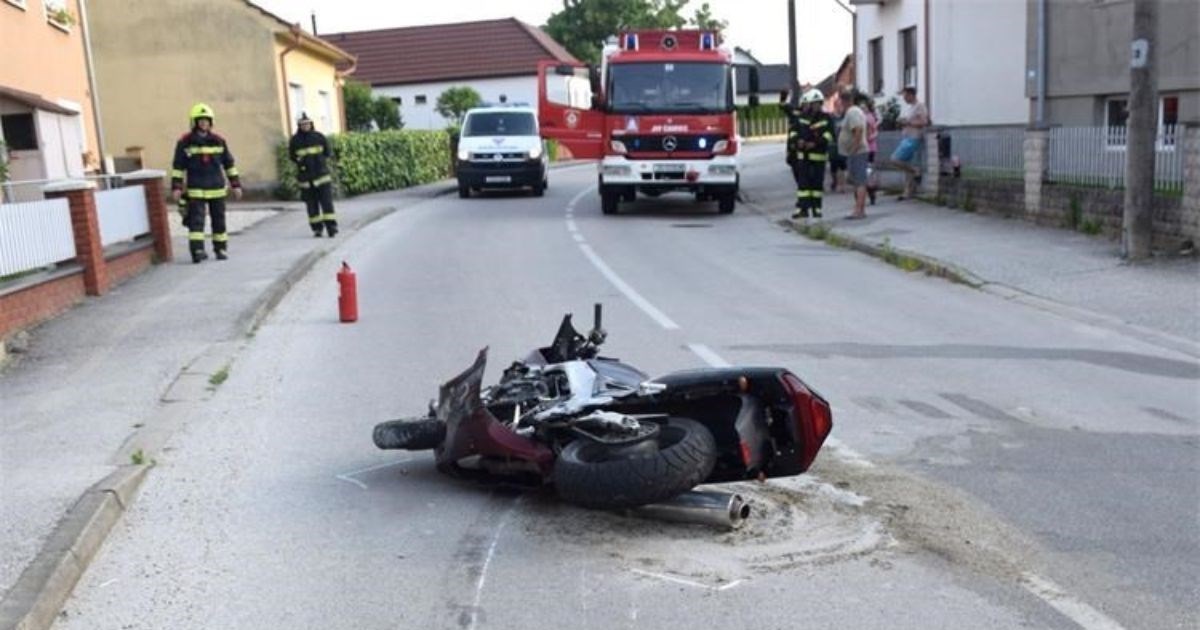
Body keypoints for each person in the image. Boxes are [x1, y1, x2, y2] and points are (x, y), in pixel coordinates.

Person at [171, 103, 241, 263]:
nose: (204, 123)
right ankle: (197, 251)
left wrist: (235, 185)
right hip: (196, 189)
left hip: (216, 188)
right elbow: (178, 167)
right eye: (200, 120)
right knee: (196, 222)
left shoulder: (219, 141)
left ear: (211, 122)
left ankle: (220, 249)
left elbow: (229, 165)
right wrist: (176, 187)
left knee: (219, 221)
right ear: (194, 122)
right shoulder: (185, 142)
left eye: (206, 120)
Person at [289, 112, 338, 238]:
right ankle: (317, 229)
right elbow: (292, 157)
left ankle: (331, 227)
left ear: (311, 124)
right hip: (306, 180)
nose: (306, 126)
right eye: (303, 124)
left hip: (322, 177)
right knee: (311, 206)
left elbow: (327, 152)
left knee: (327, 203)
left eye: (307, 124)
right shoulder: (295, 140)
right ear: (299, 126)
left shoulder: (319, 137)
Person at [789, 89, 833, 219]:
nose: (815, 106)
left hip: (818, 157)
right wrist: (798, 142)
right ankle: (802, 209)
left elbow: (829, 135)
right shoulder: (801, 118)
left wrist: (815, 143)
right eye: (812, 103)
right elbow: (793, 133)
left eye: (817, 103)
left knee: (817, 185)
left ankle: (817, 209)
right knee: (803, 185)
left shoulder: (826, 118)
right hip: (803, 157)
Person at [889, 86, 929, 200]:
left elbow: (924, 121)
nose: (904, 98)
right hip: (907, 136)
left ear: (912, 95)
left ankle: (915, 170)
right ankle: (908, 191)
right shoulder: (911, 107)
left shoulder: (920, 106)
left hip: (913, 138)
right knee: (906, 165)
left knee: (895, 159)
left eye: (906, 96)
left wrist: (908, 122)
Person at [837, 87, 870, 219]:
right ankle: (859, 209)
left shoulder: (852, 112)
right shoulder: (853, 112)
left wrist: (854, 149)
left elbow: (858, 130)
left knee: (860, 181)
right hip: (855, 151)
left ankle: (859, 210)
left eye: (841, 101)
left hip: (857, 152)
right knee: (856, 181)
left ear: (845, 101)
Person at [862, 96, 880, 205]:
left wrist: (870, 137)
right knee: (866, 171)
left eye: (864, 107)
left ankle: (871, 189)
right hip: (863, 148)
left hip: (869, 148)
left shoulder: (869, 117)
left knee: (868, 170)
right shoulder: (862, 117)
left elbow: (874, 131)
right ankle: (869, 190)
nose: (862, 109)